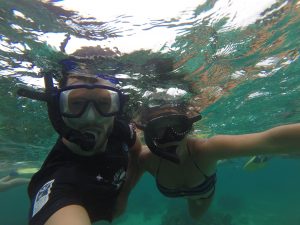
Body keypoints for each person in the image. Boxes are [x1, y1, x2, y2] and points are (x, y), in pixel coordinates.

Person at [17, 59, 142, 225]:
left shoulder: (120, 129)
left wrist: (124, 194)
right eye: (76, 103)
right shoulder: (57, 181)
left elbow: (137, 152)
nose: (90, 117)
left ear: (116, 107)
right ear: (58, 108)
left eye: (104, 103)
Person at [136, 104, 300, 220]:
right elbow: (121, 192)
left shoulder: (208, 149)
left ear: (189, 126)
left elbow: (272, 141)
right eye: (158, 129)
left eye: (178, 126)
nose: (170, 137)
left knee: (196, 216)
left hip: (202, 193)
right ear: (148, 134)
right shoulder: (144, 158)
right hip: (199, 182)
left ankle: (228, 160)